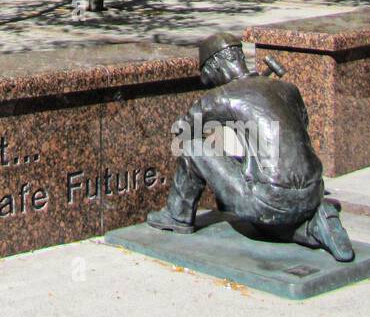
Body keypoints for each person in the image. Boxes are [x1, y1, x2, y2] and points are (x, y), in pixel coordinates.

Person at [147, 32, 355, 262]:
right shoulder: (288, 88)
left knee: (192, 146)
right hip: (312, 194)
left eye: (207, 76)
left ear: (216, 65)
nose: (209, 82)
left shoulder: (221, 96)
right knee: (268, 218)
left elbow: (182, 130)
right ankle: (315, 224)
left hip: (266, 201)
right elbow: (299, 129)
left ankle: (178, 215)